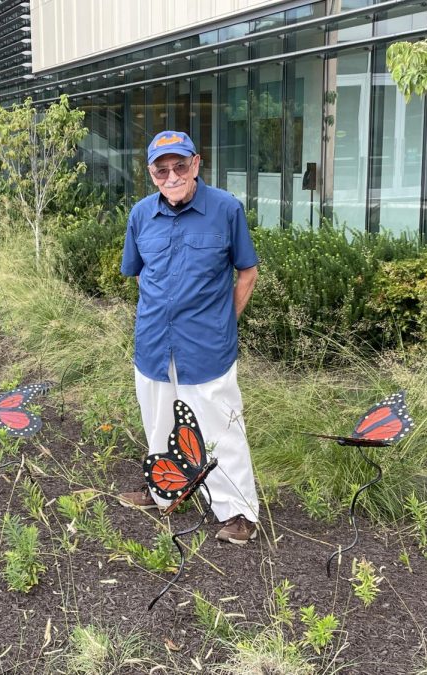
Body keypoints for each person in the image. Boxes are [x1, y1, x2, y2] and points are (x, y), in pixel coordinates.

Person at [117, 130, 261, 545]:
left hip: (208, 346)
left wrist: (223, 322)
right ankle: (165, 489)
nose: (172, 175)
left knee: (221, 429)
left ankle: (238, 514)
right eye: (162, 169)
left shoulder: (226, 210)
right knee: (159, 422)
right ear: (151, 173)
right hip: (153, 344)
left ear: (197, 164)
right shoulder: (141, 215)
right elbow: (140, 272)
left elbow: (247, 273)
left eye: (180, 165)